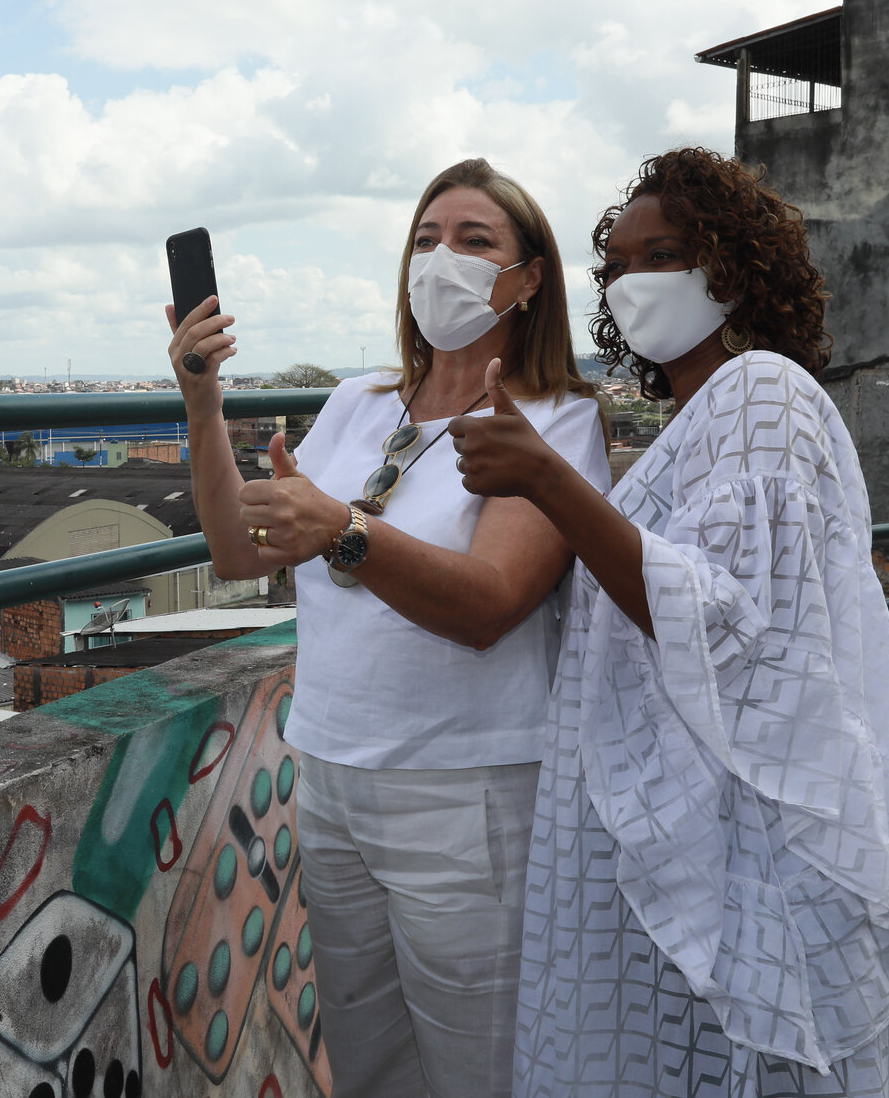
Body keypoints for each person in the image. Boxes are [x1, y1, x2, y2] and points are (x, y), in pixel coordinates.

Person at [447, 147, 889, 1097]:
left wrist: (544, 477)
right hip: (708, 837)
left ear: (732, 264)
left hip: (755, 849)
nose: (638, 281)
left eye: (664, 252)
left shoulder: (763, 390)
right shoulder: (695, 421)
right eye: (621, 265)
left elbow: (716, 617)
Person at [166, 159, 611, 1097]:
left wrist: (342, 528)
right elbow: (238, 551)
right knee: (370, 1067)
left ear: (530, 279)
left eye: (474, 240)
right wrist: (203, 402)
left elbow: (491, 602)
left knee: (482, 1068)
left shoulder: (555, 419)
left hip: (466, 794)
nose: (439, 258)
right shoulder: (357, 403)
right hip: (329, 777)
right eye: (425, 238)